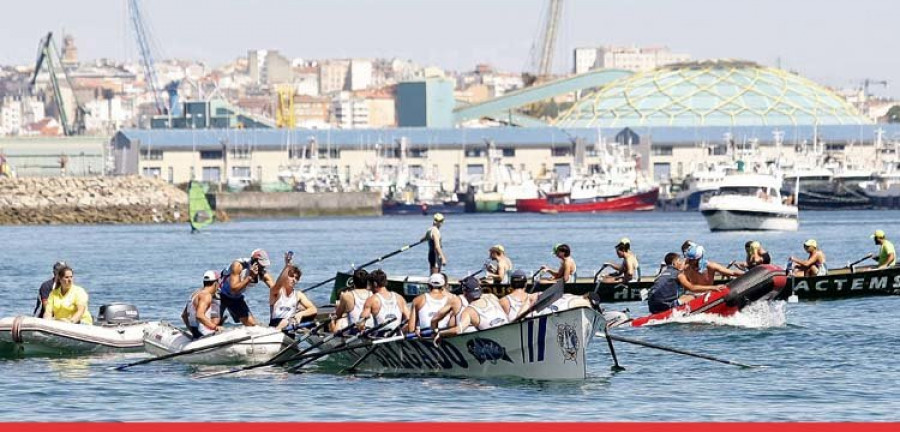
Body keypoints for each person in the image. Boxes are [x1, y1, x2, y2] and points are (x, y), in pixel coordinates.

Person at [433, 276, 507, 340]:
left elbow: (458, 330)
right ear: (480, 289)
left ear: (464, 293)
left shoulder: (468, 311)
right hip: (508, 331)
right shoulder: (492, 297)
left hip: (494, 339)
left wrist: (440, 333)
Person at [219, 249, 275, 326]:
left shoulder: (261, 272)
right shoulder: (238, 266)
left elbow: (276, 289)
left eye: (264, 266)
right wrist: (250, 277)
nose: (262, 268)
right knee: (214, 325)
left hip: (236, 298)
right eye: (260, 265)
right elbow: (233, 289)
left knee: (252, 325)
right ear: (253, 261)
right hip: (220, 295)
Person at [269, 253, 318, 331]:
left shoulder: (298, 295)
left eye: (296, 278)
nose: (294, 279)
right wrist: (287, 266)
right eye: (291, 276)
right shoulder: (275, 292)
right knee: (284, 322)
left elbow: (313, 309)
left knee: (288, 322)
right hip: (275, 326)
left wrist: (300, 314)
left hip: (290, 327)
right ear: (285, 277)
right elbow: (278, 284)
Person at [357, 269, 409, 335]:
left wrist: (365, 329)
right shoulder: (399, 298)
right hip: (397, 336)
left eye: (369, 285)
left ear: (375, 284)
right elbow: (409, 320)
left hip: (380, 337)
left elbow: (360, 324)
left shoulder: (372, 300)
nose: (368, 288)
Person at [181, 270, 222, 338]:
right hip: (206, 334)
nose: (219, 286)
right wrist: (215, 327)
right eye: (219, 283)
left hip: (196, 333)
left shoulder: (194, 294)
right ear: (215, 283)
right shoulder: (206, 296)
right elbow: (199, 315)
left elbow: (184, 315)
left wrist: (193, 332)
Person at [332, 268, 373, 333]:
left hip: (355, 332)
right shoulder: (373, 295)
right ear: (367, 282)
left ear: (353, 282)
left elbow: (338, 315)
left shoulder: (346, 296)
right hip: (371, 330)